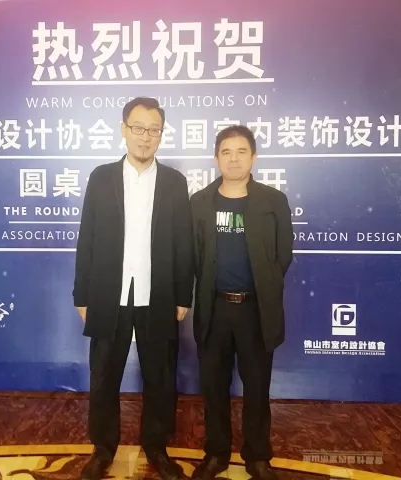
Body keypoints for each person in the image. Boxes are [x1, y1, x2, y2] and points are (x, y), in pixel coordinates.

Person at [73, 97, 194, 480]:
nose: (145, 137)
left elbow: (184, 243)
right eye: (138, 128)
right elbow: (87, 238)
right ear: (123, 129)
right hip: (109, 293)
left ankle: (156, 447)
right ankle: (103, 449)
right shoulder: (102, 177)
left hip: (158, 295)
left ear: (161, 134)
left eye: (153, 130)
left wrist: (183, 295)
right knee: (104, 377)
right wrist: (82, 295)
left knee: (161, 377)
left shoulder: (174, 182)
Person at [189, 125, 294, 480]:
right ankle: (216, 453)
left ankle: (258, 457)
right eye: (226, 152)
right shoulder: (200, 202)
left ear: (254, 157)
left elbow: (283, 255)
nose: (233, 159)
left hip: (255, 310)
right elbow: (193, 256)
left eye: (241, 151)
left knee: (257, 388)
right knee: (213, 387)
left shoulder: (272, 201)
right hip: (215, 308)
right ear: (215, 158)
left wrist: (263, 284)